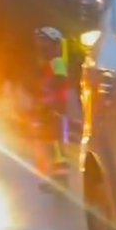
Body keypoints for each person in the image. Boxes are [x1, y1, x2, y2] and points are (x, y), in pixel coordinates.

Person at [33, 26, 71, 190]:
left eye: (44, 40)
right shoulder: (50, 61)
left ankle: (60, 179)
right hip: (51, 106)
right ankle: (57, 179)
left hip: (56, 107)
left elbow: (61, 78)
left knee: (55, 144)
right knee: (51, 143)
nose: (40, 44)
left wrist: (50, 93)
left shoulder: (57, 60)